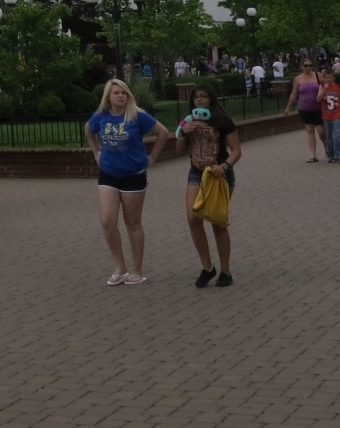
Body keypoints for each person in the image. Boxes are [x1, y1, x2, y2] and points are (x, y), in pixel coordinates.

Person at [83, 79, 169, 287]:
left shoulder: (137, 115)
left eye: (123, 93)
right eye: (116, 93)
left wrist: (152, 158)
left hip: (133, 174)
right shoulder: (101, 115)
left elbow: (163, 132)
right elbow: (88, 129)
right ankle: (120, 268)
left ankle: (137, 270)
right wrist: (96, 153)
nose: (120, 96)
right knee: (107, 221)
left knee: (133, 223)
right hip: (108, 174)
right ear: (108, 97)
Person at [176, 87, 241, 287]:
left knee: (217, 221)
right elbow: (179, 151)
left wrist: (224, 166)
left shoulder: (222, 120)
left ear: (211, 99)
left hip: (218, 175)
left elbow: (236, 151)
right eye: (196, 97)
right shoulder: (188, 121)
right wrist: (182, 133)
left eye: (203, 96)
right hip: (197, 173)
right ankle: (207, 267)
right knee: (193, 218)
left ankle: (225, 271)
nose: (199, 100)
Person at [283, 63, 325, 162]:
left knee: (321, 131)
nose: (308, 67)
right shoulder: (298, 79)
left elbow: (327, 86)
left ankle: (326, 145)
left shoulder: (318, 76)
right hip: (304, 108)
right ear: (301, 67)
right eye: (306, 66)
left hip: (318, 108)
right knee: (309, 130)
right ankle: (313, 155)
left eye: (310, 65)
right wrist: (288, 108)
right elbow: (294, 94)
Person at [319, 74, 340, 163]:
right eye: (327, 77)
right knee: (329, 136)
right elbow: (318, 99)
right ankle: (331, 156)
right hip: (326, 115)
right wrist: (324, 89)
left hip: (336, 114)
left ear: (334, 78)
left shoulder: (338, 87)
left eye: (331, 77)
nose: (329, 79)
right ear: (324, 78)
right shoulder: (322, 87)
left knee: (338, 134)